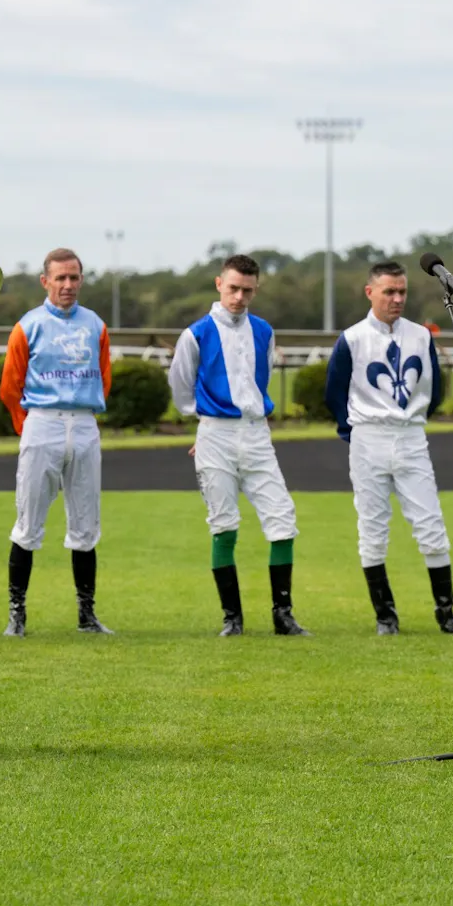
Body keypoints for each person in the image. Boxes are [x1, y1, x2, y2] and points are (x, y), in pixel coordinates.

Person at [324, 260, 453, 636]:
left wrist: (414, 419)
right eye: (389, 291)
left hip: (410, 436)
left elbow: (434, 389)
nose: (397, 298)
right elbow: (334, 392)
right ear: (370, 292)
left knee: (431, 523)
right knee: (372, 527)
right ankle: (385, 617)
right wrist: (353, 432)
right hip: (367, 437)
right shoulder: (352, 338)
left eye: (402, 291)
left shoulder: (422, 336)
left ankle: (446, 614)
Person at [169, 255, 308, 637]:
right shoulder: (195, 334)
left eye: (247, 290)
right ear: (219, 284)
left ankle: (283, 615)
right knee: (223, 524)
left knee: (282, 520)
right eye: (233, 288)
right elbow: (181, 384)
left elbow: (259, 380)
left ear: (255, 289)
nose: (239, 296)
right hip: (215, 433)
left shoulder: (263, 330)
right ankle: (233, 618)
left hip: (256, 432)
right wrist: (205, 428)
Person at [0, 247, 113, 636]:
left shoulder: (95, 325)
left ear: (82, 279)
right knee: (28, 523)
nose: (68, 285)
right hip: (42, 424)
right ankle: (17, 613)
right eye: (60, 278)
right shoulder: (27, 326)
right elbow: (10, 387)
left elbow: (104, 377)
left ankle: (87, 614)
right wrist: (27, 426)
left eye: (74, 277)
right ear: (45, 281)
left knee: (86, 524)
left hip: (83, 425)